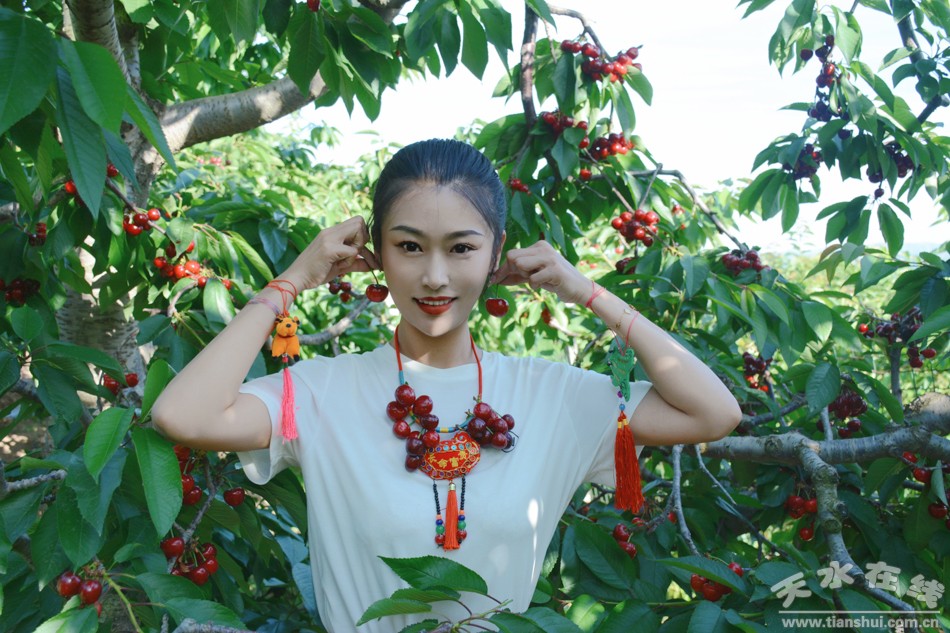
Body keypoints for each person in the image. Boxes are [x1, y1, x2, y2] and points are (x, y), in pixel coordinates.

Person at [152, 138, 741, 632]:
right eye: (409, 247)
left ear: (496, 252)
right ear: (376, 254)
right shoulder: (317, 393)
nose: (435, 276)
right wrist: (290, 282)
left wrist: (586, 291)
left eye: (462, 248)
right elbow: (183, 415)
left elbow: (714, 413)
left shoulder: (556, 396)